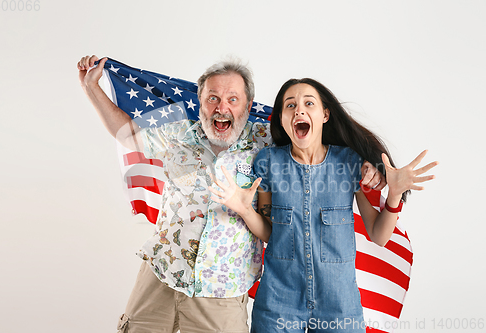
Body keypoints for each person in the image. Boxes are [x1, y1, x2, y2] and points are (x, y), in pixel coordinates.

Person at [78, 55, 384, 332]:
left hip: (222, 290)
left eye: (232, 99)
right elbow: (128, 134)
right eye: (213, 98)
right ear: (200, 102)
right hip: (161, 275)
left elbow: (318, 142)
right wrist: (93, 89)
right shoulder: (178, 133)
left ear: (248, 107)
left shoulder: (267, 144)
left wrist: (371, 167)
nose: (221, 107)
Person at [209, 78, 438, 332]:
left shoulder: (350, 163)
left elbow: (379, 235)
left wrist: (394, 196)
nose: (299, 110)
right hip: (278, 304)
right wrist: (245, 210)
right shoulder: (268, 163)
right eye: (290, 105)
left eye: (309, 103)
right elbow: (270, 232)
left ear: (325, 114)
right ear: (283, 119)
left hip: (339, 307)